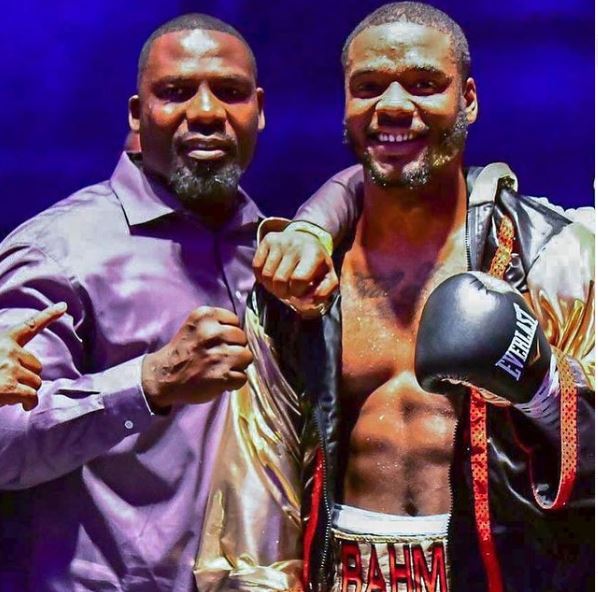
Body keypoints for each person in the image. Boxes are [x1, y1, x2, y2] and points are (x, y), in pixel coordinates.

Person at [205, 3, 594, 591]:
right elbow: (259, 480)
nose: (391, 106)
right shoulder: (300, 287)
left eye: (422, 84)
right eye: (368, 87)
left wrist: (541, 385)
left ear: (468, 100)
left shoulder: (552, 260)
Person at [0, 13, 335, 592]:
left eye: (229, 93)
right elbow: (5, 450)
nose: (205, 112)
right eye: (176, 92)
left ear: (259, 110)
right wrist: (149, 382)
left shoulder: (276, 252)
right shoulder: (58, 250)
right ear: (137, 114)